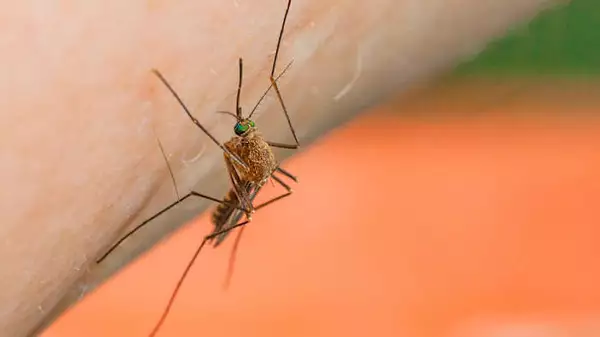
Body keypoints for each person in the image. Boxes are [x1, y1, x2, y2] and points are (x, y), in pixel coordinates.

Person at [0, 0, 555, 335]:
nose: (241, 124)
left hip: (242, 190)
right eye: (243, 125)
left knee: (203, 200)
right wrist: (257, 112)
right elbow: (266, 162)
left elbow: (256, 167)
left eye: (242, 124)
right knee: (252, 179)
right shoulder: (256, 141)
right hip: (254, 178)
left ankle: (192, 268)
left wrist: (226, 169)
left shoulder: (250, 151)